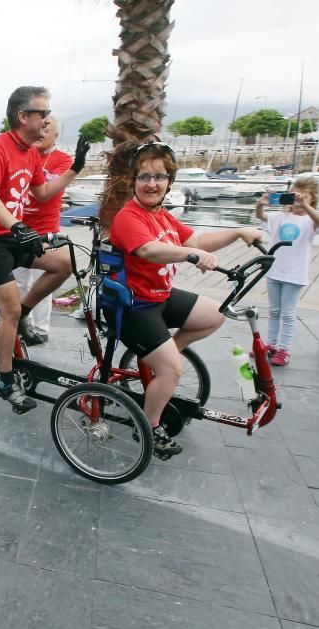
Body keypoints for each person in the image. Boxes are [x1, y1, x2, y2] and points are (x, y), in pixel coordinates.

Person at [107, 141, 263, 458]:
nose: (152, 183)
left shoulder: (162, 216)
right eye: (144, 177)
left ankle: (161, 355)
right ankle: (149, 427)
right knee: (173, 372)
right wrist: (191, 255)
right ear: (133, 180)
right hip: (134, 306)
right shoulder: (129, 217)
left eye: (160, 177)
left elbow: (197, 239)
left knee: (215, 314)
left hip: (160, 297)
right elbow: (149, 250)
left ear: (169, 182)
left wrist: (237, 231)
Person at [0, 86, 90, 412]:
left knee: (63, 264)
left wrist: (75, 168)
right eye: (42, 113)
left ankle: (26, 315)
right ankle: (5, 380)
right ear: (23, 116)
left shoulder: (31, 152)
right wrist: (18, 226)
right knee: (10, 309)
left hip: (11, 235)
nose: (47, 120)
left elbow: (44, 193)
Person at [13, 117, 73, 340]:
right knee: (18, 280)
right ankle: (19, 323)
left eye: (47, 130)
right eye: (41, 128)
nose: (41, 132)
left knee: (43, 280)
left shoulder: (62, 159)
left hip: (44, 230)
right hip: (19, 228)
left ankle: (40, 328)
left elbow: (49, 188)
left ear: (56, 136)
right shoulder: (25, 154)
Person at [254, 177, 319, 366]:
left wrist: (306, 206)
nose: (297, 201)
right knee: (274, 311)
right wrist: (261, 204)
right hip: (275, 270)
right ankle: (272, 345)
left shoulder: (310, 220)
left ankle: (284, 349)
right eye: (294, 196)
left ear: (312, 199)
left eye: (304, 197)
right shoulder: (280, 217)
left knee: (288, 313)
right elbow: (262, 216)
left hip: (295, 273)